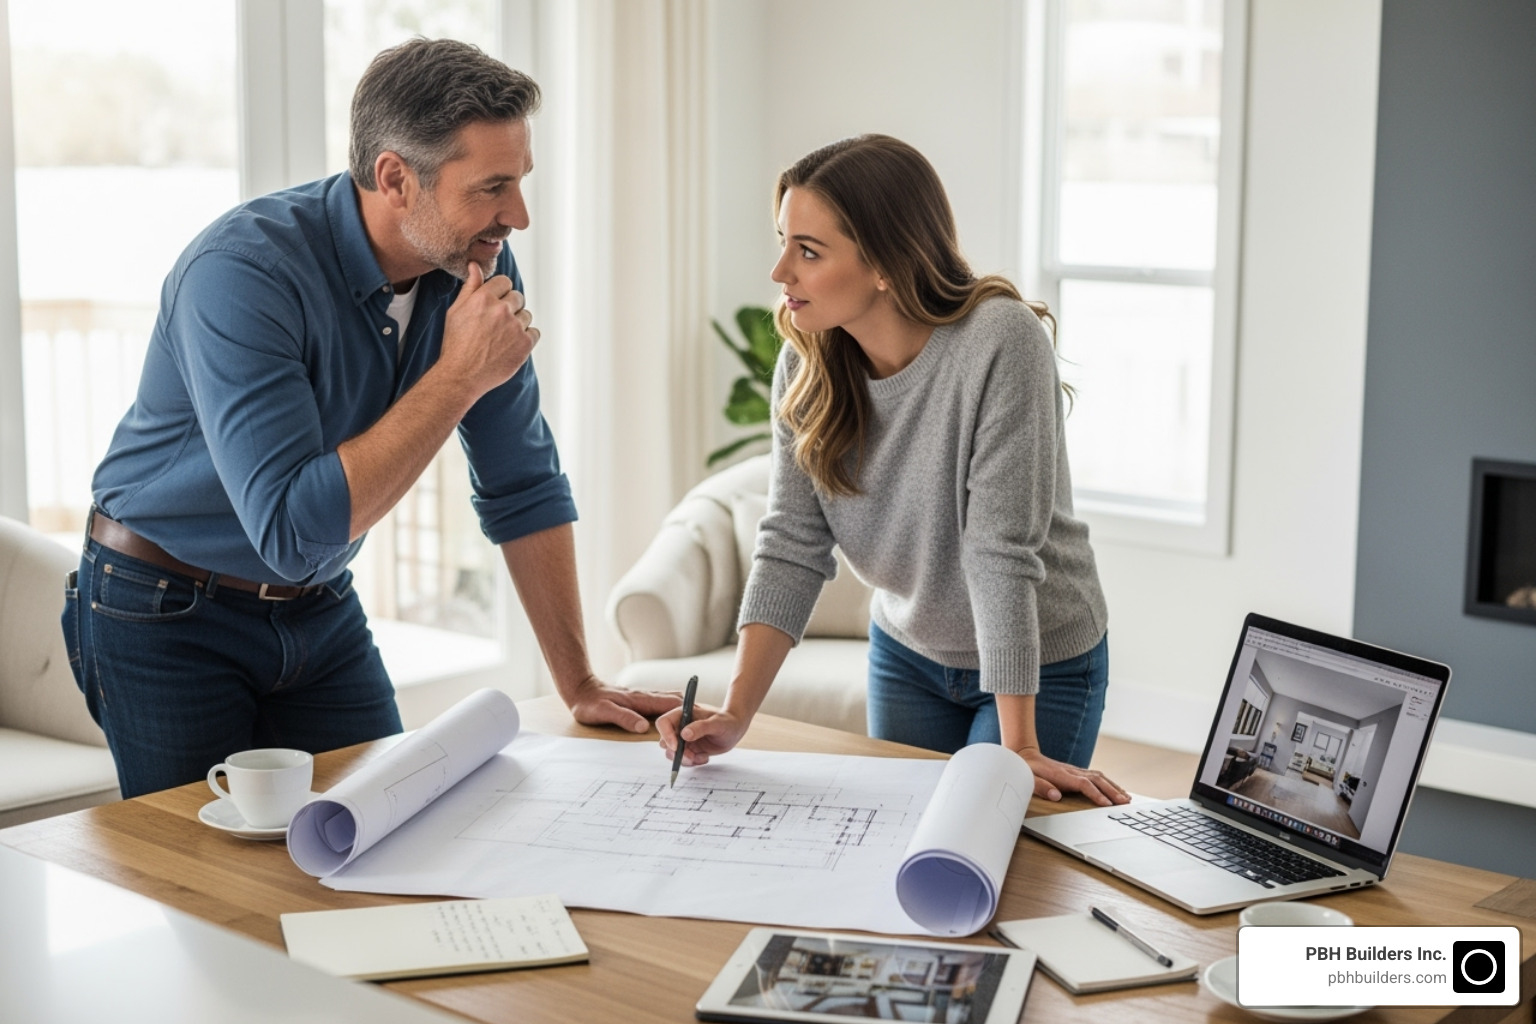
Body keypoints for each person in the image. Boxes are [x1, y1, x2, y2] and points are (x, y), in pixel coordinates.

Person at [65, 39, 676, 800]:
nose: (516, 215)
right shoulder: (242, 273)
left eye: (519, 183)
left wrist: (579, 681)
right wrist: (457, 376)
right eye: (493, 187)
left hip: (318, 606)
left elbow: (522, 481)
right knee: (210, 886)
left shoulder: (476, 264)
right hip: (162, 608)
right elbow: (290, 531)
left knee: (392, 824)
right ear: (395, 178)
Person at [659, 135, 1128, 806]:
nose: (780, 272)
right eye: (783, 241)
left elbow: (998, 550)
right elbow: (792, 544)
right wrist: (735, 714)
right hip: (909, 655)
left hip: (1041, 663)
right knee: (898, 841)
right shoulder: (805, 363)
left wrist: (1019, 748)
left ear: (884, 262)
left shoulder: (999, 343)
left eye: (808, 251)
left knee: (991, 845)